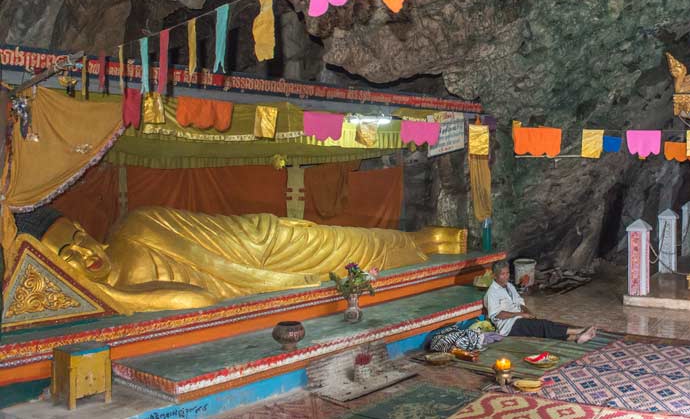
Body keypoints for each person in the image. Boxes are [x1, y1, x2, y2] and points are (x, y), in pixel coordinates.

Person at [23, 205, 467, 314]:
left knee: (345, 243)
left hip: (260, 246)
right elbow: (195, 300)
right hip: (260, 280)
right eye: (69, 257)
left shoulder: (133, 226)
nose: (87, 252)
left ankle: (420, 239)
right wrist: (103, 293)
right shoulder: (120, 293)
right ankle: (419, 243)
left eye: (79, 238)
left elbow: (215, 272)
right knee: (350, 266)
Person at [484, 259, 596, 342]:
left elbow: (519, 301)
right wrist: (520, 314)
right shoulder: (492, 293)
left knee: (544, 328)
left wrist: (527, 311)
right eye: (502, 274)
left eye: (507, 273)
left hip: (520, 319)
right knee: (543, 326)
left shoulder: (509, 286)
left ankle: (577, 338)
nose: (506, 276)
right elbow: (497, 314)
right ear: (495, 276)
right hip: (509, 326)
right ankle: (580, 331)